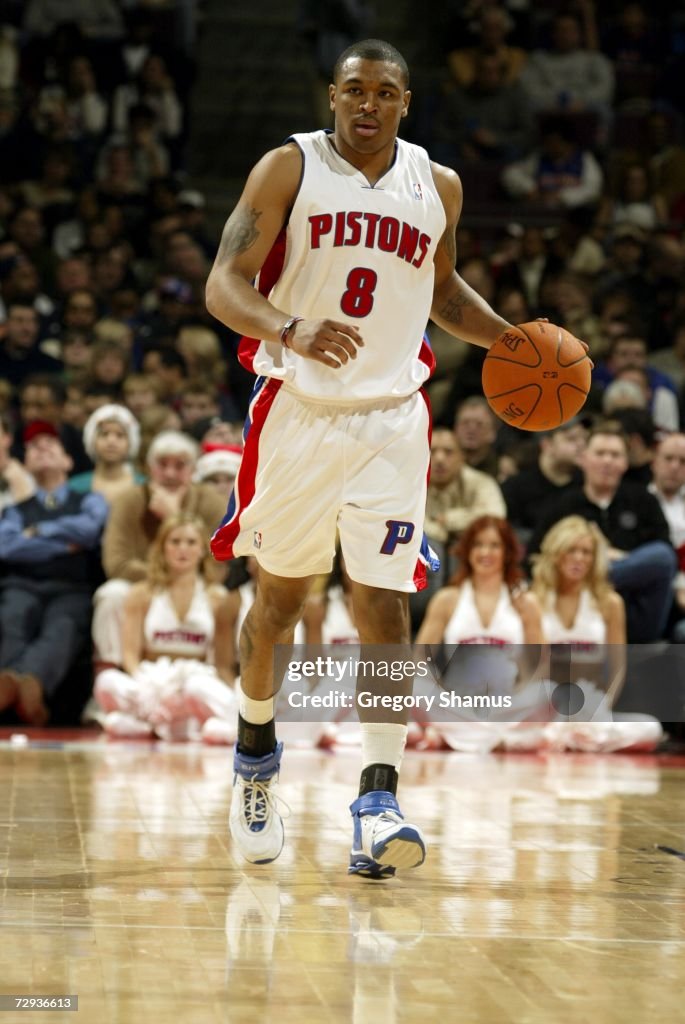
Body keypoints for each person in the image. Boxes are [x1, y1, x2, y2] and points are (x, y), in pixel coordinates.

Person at [204, 38, 531, 877]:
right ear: (331, 95)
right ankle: (253, 761)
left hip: (393, 418)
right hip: (299, 414)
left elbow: (443, 290)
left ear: (405, 103)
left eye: (384, 92)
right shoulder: (288, 169)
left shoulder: (439, 185)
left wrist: (517, 344)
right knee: (277, 602)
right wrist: (289, 327)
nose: (366, 104)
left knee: (383, 605)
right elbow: (223, 284)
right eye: (353, 90)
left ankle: (377, 798)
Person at [95, 514, 238, 743]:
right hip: (150, 683)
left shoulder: (217, 598)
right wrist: (147, 688)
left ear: (202, 550)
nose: (183, 549)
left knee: (198, 687)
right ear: (162, 548)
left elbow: (221, 662)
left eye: (191, 542)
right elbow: (130, 656)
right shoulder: (141, 593)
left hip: (193, 682)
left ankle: (156, 726)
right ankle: (161, 725)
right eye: (175, 542)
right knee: (107, 681)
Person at [528, 422, 676, 643]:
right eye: (600, 453)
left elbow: (664, 560)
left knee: (662, 556)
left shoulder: (643, 500)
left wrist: (617, 560)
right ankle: (594, 571)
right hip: (580, 607)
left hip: (637, 612)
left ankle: (596, 571)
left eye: (615, 454)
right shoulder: (563, 504)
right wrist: (597, 560)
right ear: (583, 458)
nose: (607, 461)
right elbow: (535, 558)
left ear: (626, 462)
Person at [0, 421, 108, 723]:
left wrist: (37, 532)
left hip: (70, 586)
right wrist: (64, 542)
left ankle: (19, 683)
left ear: (68, 461)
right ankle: (23, 693)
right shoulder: (15, 509)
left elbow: (88, 532)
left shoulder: (89, 499)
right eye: (34, 447)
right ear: (26, 462)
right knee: (12, 617)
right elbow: (7, 547)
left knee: (62, 625)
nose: (42, 448)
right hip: (21, 583)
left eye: (51, 444)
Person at [531, 515, 663, 752]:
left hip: (591, 707)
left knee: (650, 727)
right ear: (555, 553)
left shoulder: (609, 603)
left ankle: (575, 738)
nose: (579, 558)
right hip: (546, 705)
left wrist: (604, 708)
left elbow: (618, 667)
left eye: (586, 552)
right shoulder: (534, 600)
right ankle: (570, 739)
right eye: (571, 550)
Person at [414, 515, 544, 753]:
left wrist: (520, 695)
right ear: (467, 550)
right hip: (454, 703)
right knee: (412, 688)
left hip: (507, 705)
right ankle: (495, 740)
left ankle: (460, 738)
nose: (486, 552)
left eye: (494, 545)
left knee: (549, 694)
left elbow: (539, 665)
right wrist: (439, 692)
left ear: (507, 552)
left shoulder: (526, 602)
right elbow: (420, 657)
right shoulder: (447, 599)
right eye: (478, 544)